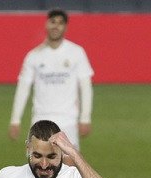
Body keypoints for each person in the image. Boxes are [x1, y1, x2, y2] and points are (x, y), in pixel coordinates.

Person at [8, 8, 94, 147]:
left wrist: (85, 117)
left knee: (70, 165)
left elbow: (85, 86)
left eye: (60, 23)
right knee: (38, 164)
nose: (56, 26)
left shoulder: (76, 52)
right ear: (46, 24)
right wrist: (15, 120)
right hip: (40, 119)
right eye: (52, 22)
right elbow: (23, 88)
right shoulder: (34, 55)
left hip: (68, 120)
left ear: (65, 27)